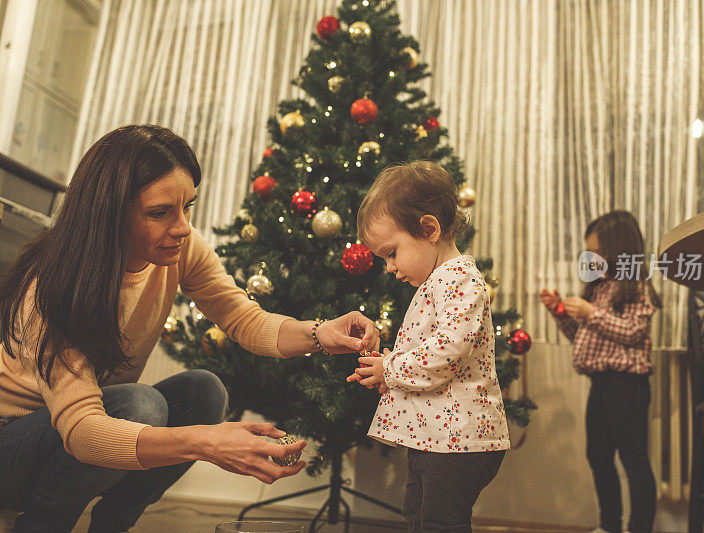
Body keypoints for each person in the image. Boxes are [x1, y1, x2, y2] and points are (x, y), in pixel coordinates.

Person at [0, 124, 379, 533]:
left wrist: (319, 333)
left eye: (187, 208)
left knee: (204, 390)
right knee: (139, 406)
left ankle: (113, 526)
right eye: (159, 212)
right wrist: (207, 443)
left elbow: (241, 316)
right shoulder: (50, 286)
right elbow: (83, 432)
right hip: (13, 450)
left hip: (74, 436)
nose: (181, 227)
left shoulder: (179, 246)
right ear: (108, 214)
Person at [348, 161, 510, 532]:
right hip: (439, 437)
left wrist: (391, 369)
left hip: (462, 439)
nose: (389, 267)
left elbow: (447, 351)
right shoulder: (438, 281)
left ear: (429, 229)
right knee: (418, 514)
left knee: (441, 522)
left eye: (392, 253)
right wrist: (389, 368)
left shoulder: (459, 278)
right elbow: (432, 349)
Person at [540, 210, 661, 533]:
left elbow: (633, 332)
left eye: (599, 252)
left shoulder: (636, 288)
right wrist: (561, 314)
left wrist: (591, 313)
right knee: (598, 455)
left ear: (621, 251)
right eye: (589, 252)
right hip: (602, 384)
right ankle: (609, 525)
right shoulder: (598, 289)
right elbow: (582, 340)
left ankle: (639, 528)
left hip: (627, 384)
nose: (592, 259)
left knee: (633, 459)